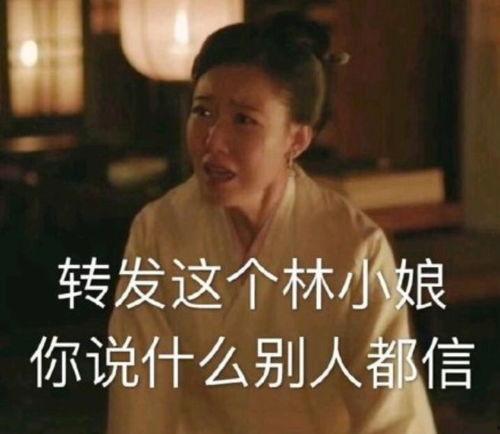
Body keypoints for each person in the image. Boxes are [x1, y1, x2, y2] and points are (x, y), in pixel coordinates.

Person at [107, 12, 436, 434]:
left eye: (243, 120)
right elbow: (140, 397)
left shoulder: (353, 247)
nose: (212, 139)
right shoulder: (159, 230)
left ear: (296, 139)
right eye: (203, 111)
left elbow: (393, 416)